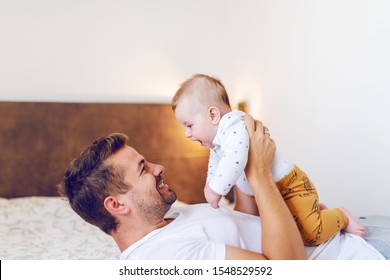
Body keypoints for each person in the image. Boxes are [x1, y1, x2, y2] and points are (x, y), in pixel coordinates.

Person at [57, 115, 384, 260]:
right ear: (116, 205)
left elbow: (243, 221)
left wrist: (238, 158)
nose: (159, 168)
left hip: (351, 236)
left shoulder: (171, 221)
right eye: (143, 169)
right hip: (357, 259)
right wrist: (259, 175)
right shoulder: (167, 257)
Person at [171, 73, 365, 246]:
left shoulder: (234, 125)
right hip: (276, 192)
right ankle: (316, 213)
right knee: (291, 229)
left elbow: (234, 158)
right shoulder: (219, 143)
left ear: (213, 114)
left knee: (311, 235)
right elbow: (215, 164)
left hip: (290, 185)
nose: (187, 134)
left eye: (189, 125)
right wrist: (209, 185)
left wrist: (216, 189)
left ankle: (342, 216)